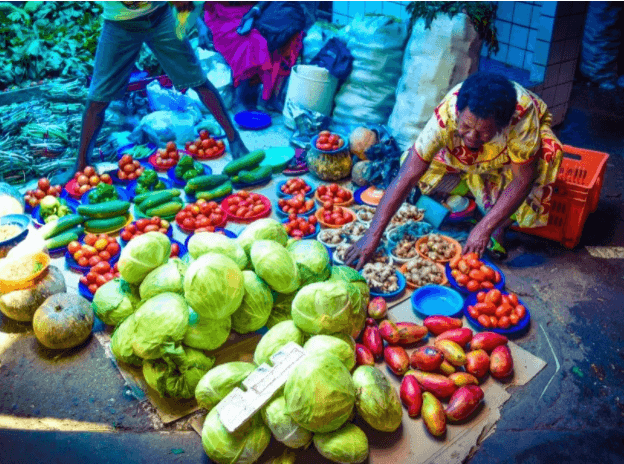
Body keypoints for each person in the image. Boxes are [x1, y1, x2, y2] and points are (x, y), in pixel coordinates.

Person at [344, 72, 564, 270]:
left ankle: (499, 222)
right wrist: (372, 235)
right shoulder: (447, 114)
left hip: (510, 153)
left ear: (500, 125)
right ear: (458, 113)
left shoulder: (521, 120)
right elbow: (409, 174)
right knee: (412, 162)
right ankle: (476, 192)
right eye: (466, 127)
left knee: (547, 157)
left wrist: (483, 229)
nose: (471, 137)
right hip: (475, 157)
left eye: (483, 132)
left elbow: (522, 181)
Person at [53, 1, 249, 185]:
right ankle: (81, 164)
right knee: (97, 98)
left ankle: (234, 138)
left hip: (160, 15)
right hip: (118, 23)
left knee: (197, 79)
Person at [203, 1, 306, 114]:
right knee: (253, 42)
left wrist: (257, 8)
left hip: (255, 12)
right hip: (222, 18)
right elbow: (188, 7)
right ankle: (240, 99)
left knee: (289, 33)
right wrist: (201, 26)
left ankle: (272, 96)